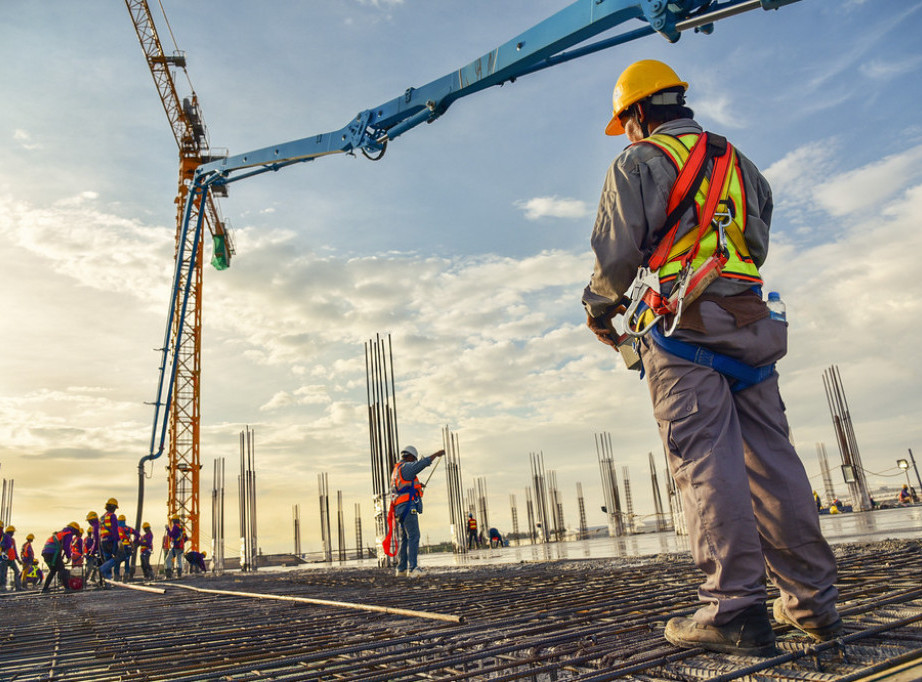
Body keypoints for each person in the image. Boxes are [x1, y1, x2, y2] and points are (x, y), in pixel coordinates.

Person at [583, 60, 841, 656]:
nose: (625, 132)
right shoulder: (741, 164)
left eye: (625, 120)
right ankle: (814, 606)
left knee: (706, 463)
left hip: (681, 328)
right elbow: (755, 243)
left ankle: (735, 609)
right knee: (774, 463)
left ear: (640, 111)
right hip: (750, 323)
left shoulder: (639, 162)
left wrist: (598, 309)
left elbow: (617, 254)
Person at [390, 445, 445, 577]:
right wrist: (436, 454)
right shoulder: (406, 467)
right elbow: (422, 464)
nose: (414, 462)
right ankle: (413, 568)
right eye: (414, 459)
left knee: (404, 538)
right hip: (408, 508)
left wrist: (418, 486)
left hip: (399, 509)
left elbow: (403, 488)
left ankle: (401, 568)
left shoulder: (397, 470)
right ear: (409, 457)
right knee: (414, 536)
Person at [42, 522, 80, 593]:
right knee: (61, 569)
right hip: (52, 552)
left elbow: (63, 545)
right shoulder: (69, 533)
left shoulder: (62, 533)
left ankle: (45, 589)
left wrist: (63, 555)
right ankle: (67, 588)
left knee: (53, 570)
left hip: (46, 552)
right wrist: (69, 557)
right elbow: (66, 546)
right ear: (75, 529)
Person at [98, 498, 123, 583]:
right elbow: (115, 531)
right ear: (113, 507)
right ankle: (102, 568)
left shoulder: (101, 518)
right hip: (111, 540)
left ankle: (108, 582)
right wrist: (119, 541)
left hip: (103, 541)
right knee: (120, 556)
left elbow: (99, 531)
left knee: (108, 558)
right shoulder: (112, 516)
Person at [1, 525, 23, 592]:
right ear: (10, 532)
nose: (13, 533)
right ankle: (3, 587)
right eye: (13, 532)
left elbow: (14, 550)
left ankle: (18, 587)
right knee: (3, 572)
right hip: (5, 558)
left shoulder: (13, 540)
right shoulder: (4, 537)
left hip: (11, 559)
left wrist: (18, 559)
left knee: (17, 571)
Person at [165, 515, 187, 579]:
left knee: (168, 559)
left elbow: (171, 534)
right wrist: (181, 543)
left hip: (175, 546)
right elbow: (185, 538)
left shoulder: (175, 526)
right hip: (181, 547)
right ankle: (179, 575)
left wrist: (168, 529)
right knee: (179, 560)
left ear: (174, 521)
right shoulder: (182, 528)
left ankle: (168, 575)